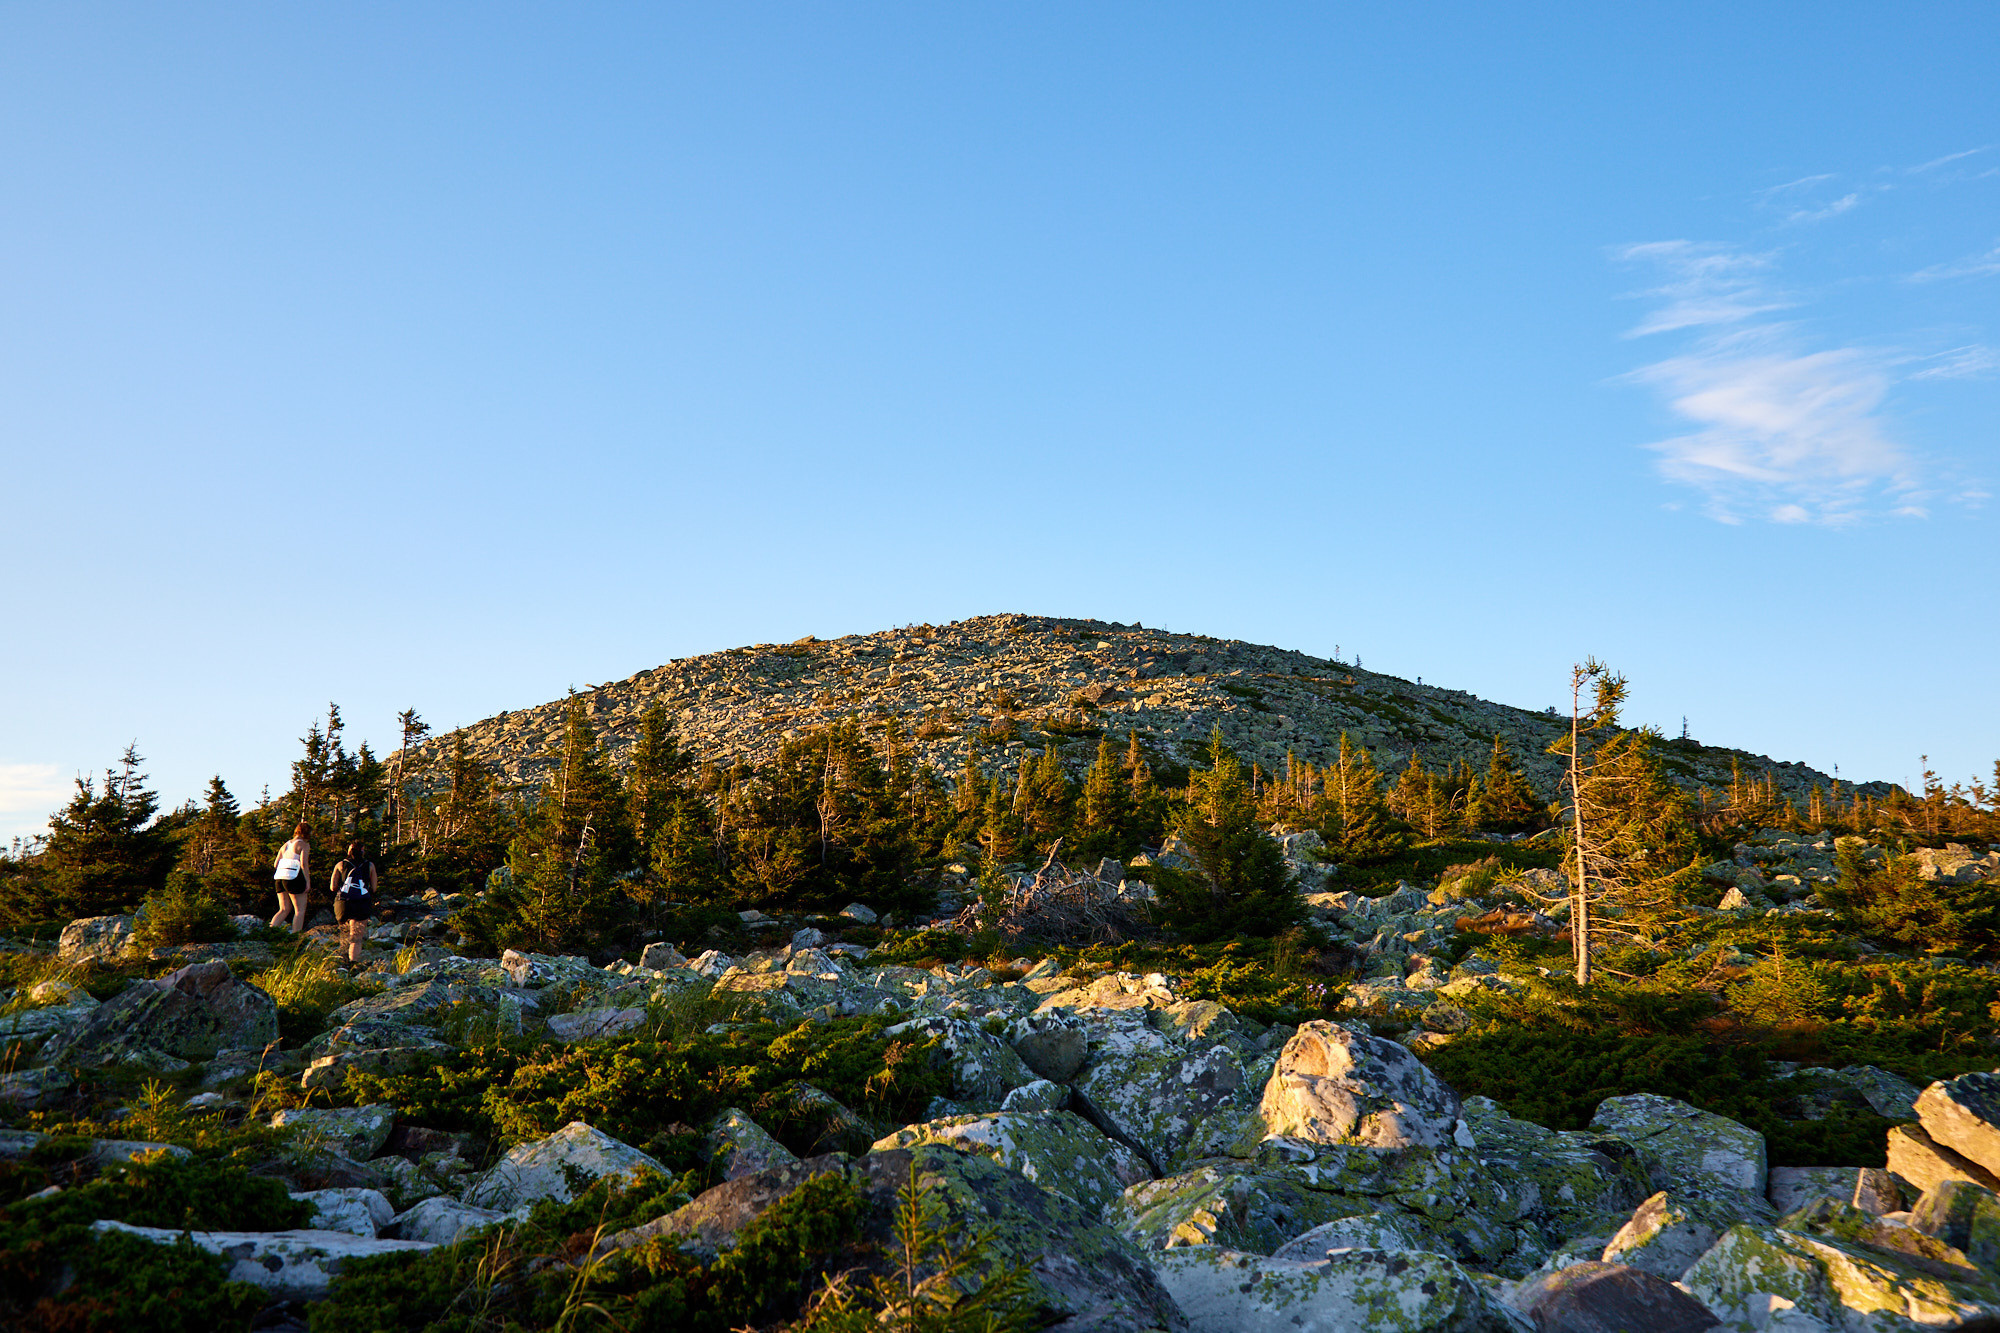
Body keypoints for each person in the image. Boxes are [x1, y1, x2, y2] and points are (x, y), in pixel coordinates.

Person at [329, 840, 378, 965]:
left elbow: (333, 887)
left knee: (344, 932)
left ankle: (340, 960)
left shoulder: (340, 864)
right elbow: (374, 888)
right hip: (361, 902)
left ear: (349, 851)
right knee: (356, 937)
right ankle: (353, 962)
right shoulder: (370, 865)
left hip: (343, 903)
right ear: (362, 851)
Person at [270, 823, 312, 933]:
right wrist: (307, 881)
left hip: (279, 877)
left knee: (284, 909)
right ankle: (296, 936)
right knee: (300, 910)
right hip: (294, 877)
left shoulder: (285, 845)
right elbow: (303, 864)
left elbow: (275, 864)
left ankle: (270, 932)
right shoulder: (303, 845)